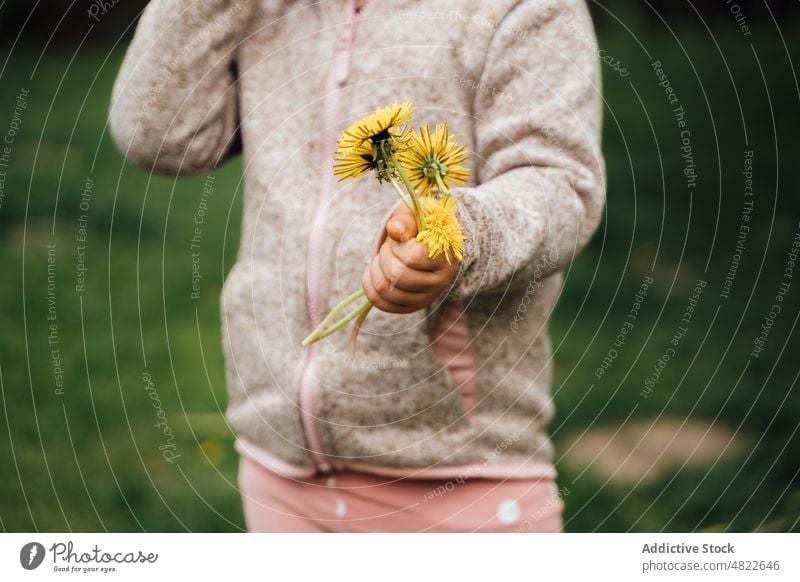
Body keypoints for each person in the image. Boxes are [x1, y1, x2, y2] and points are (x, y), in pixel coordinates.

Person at [109, 0, 606, 532]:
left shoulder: (524, 7)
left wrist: (459, 233)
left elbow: (558, 185)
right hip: (278, 469)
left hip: (463, 474)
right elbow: (158, 135)